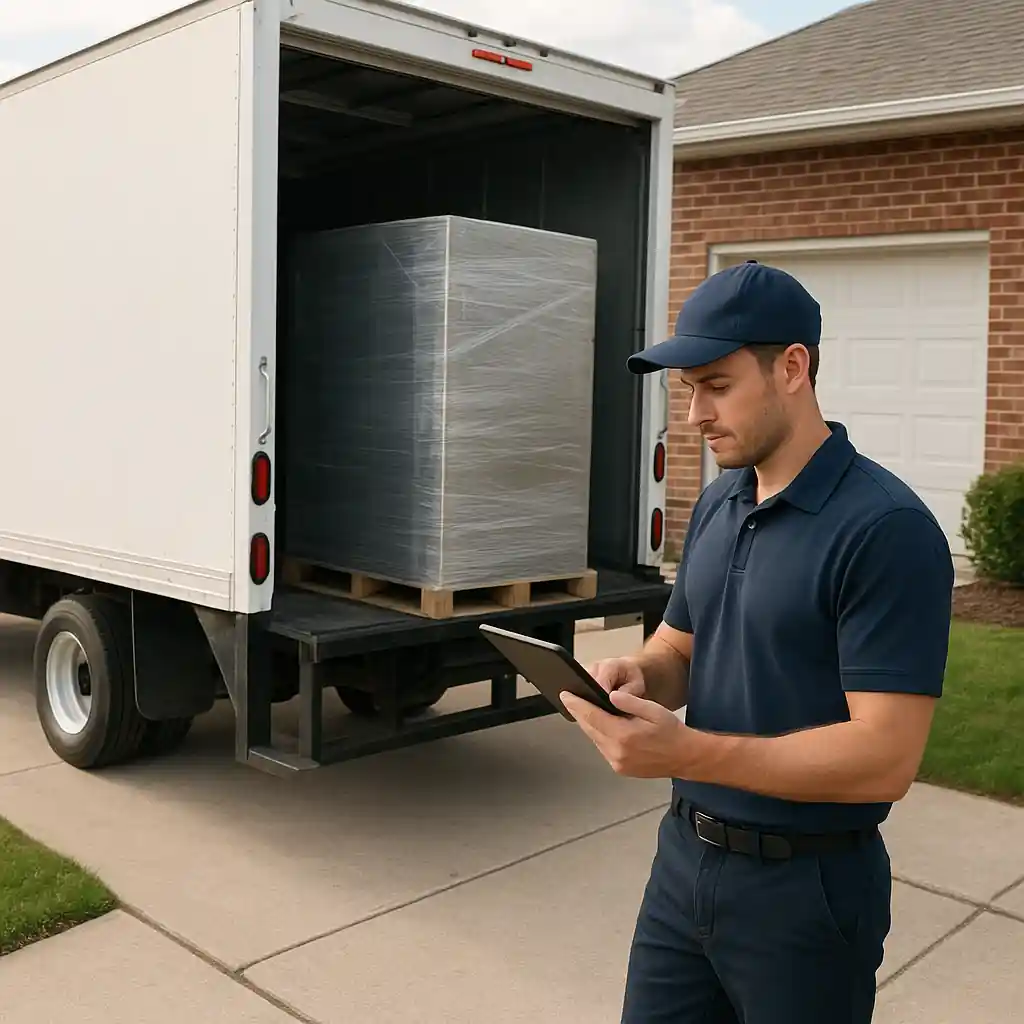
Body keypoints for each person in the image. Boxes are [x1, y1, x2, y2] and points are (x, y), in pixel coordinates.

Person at [560, 260, 954, 1024]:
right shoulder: (719, 502)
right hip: (683, 865)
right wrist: (635, 675)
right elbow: (679, 650)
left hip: (807, 893)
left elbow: (887, 757)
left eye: (716, 385)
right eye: (688, 390)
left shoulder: (886, 530)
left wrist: (686, 752)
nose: (695, 414)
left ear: (793, 369)